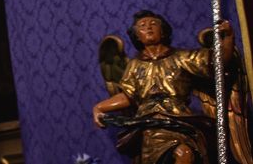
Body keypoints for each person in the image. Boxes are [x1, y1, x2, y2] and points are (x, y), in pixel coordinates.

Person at [91, 11, 241, 164]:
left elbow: (217, 63)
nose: (149, 28)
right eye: (142, 26)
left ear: (163, 31)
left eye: (153, 24)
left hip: (180, 120)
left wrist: (228, 38)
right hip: (150, 125)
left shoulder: (181, 57)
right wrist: (100, 107)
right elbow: (128, 96)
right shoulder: (134, 66)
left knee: (185, 153)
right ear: (137, 36)